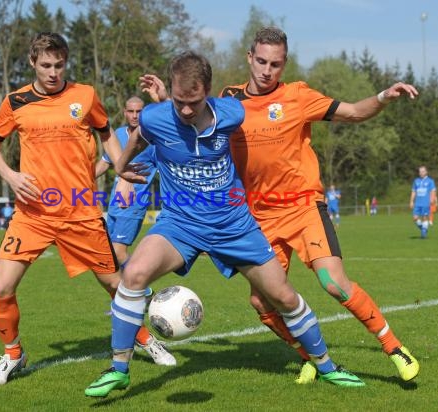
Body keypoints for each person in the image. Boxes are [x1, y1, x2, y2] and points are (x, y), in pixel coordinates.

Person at [85, 51, 364, 398]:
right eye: (180, 101)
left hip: (234, 225)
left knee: (283, 296)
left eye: (195, 102)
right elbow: (140, 135)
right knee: (133, 274)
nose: (186, 110)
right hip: (180, 224)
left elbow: (266, 135)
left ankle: (327, 366)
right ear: (171, 90)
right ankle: (118, 369)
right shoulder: (156, 116)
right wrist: (122, 165)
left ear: (210, 92)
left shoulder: (232, 112)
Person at [217, 26, 419, 383]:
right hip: (259, 217)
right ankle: (310, 356)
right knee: (261, 304)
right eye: (261, 61)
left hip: (303, 206)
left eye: (275, 64)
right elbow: (194, 128)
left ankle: (394, 348)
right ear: (249, 57)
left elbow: (355, 111)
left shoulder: (298, 96)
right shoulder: (228, 99)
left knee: (334, 283)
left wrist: (384, 96)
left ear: (285, 64)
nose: (267, 70)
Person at [0, 32, 174, 387]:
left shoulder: (85, 96)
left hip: (80, 213)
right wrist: (10, 175)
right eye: (45, 66)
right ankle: (12, 354)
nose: (53, 72)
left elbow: (105, 133)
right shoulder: (16, 101)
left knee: (115, 285)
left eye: (59, 65)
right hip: (32, 215)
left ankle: (145, 338)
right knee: (1, 286)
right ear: (32, 63)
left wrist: (120, 164)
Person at [95, 96, 157, 267]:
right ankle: (122, 294)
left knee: (118, 253)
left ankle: (141, 289)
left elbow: (167, 170)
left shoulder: (152, 140)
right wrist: (79, 179)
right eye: (131, 111)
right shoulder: (119, 135)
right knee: (109, 255)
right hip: (115, 205)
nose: (135, 116)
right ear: (125, 112)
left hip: (134, 205)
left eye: (139, 111)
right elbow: (105, 163)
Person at [410, 165, 437, 237]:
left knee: (424, 217)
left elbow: (433, 191)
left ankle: (424, 232)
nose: (421, 173)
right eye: (420, 171)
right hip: (417, 203)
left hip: (426, 203)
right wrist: (411, 201)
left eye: (423, 171)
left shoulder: (430, 181)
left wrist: (432, 199)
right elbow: (413, 192)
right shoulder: (416, 181)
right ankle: (423, 228)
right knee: (415, 218)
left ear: (426, 172)